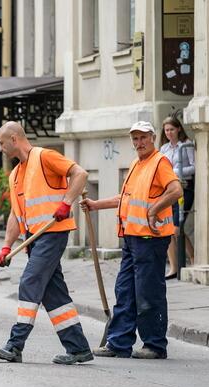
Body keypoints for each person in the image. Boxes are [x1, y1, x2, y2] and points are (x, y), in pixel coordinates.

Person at [0, 121, 94, 366]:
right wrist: (6, 247)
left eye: (1, 143)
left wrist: (66, 203)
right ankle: (78, 348)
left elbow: (80, 174)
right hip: (34, 239)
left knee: (30, 281)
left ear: (14, 139)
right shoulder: (15, 175)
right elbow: (16, 215)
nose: (0, 149)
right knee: (54, 294)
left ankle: (15, 345)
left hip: (52, 232)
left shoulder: (45, 157)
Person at [80, 121, 182, 359]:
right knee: (125, 290)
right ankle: (119, 343)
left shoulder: (159, 162)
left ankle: (155, 344)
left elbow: (176, 190)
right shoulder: (137, 164)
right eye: (135, 139)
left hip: (150, 238)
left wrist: (155, 209)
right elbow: (125, 199)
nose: (139, 143)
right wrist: (96, 205)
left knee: (148, 292)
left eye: (143, 138)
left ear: (153, 138)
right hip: (132, 237)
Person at [159, 116, 195, 279]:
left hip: (184, 188)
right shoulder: (164, 149)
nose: (169, 133)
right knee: (168, 229)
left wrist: (175, 173)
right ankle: (173, 267)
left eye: (172, 129)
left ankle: (192, 258)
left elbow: (195, 167)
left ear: (178, 129)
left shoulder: (186, 145)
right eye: (166, 130)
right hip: (168, 190)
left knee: (176, 227)